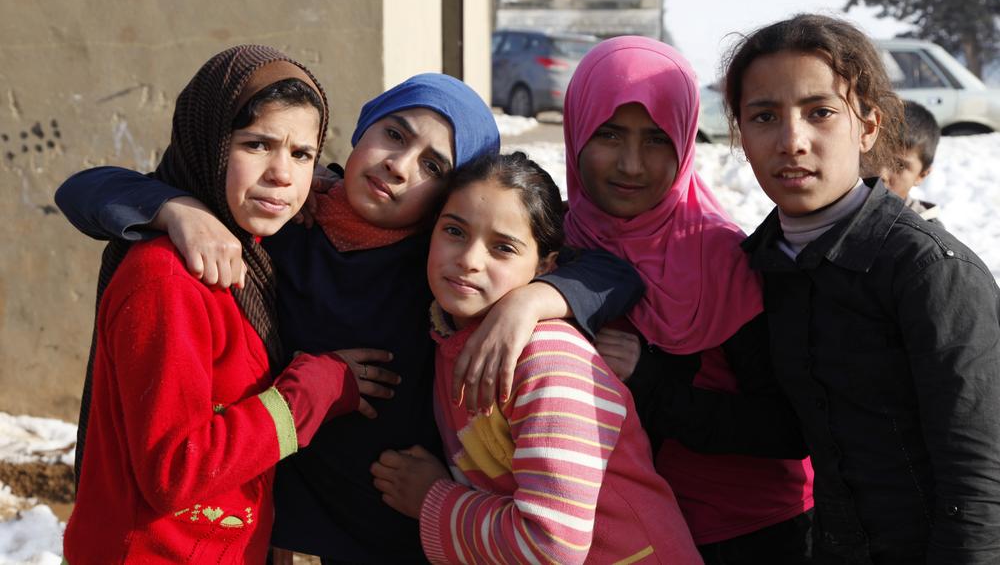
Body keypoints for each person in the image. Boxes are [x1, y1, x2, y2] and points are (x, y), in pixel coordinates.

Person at [55, 74, 643, 563]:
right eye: (394, 134)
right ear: (362, 130)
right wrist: (175, 208)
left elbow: (611, 272)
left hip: (392, 534)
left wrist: (532, 300)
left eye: (433, 165)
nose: (399, 166)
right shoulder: (285, 219)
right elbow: (86, 190)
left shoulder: (440, 259)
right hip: (269, 521)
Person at [62, 45, 398, 564]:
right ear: (209, 143)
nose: (282, 174)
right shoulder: (169, 278)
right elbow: (176, 470)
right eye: (257, 144)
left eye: (302, 154)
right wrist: (312, 391)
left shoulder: (256, 251)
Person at [722, 13, 1000, 563]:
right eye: (764, 116)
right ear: (742, 135)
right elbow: (784, 429)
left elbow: (979, 480)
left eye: (820, 112)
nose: (792, 141)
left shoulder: (929, 270)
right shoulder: (762, 265)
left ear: (868, 126)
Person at [552, 36, 813, 564]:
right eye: (608, 134)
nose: (631, 165)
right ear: (577, 128)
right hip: (617, 533)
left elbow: (788, 428)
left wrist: (650, 378)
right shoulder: (552, 240)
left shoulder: (721, 257)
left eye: (656, 139)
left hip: (746, 534)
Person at [371, 152, 703, 564]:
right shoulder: (446, 336)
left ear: (545, 266)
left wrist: (431, 499)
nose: (469, 260)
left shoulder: (549, 359)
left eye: (503, 248)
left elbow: (551, 546)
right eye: (454, 231)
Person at [879, 99, 943, 223]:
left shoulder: (924, 231)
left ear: (921, 175)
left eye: (898, 165)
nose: (881, 174)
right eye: (875, 157)